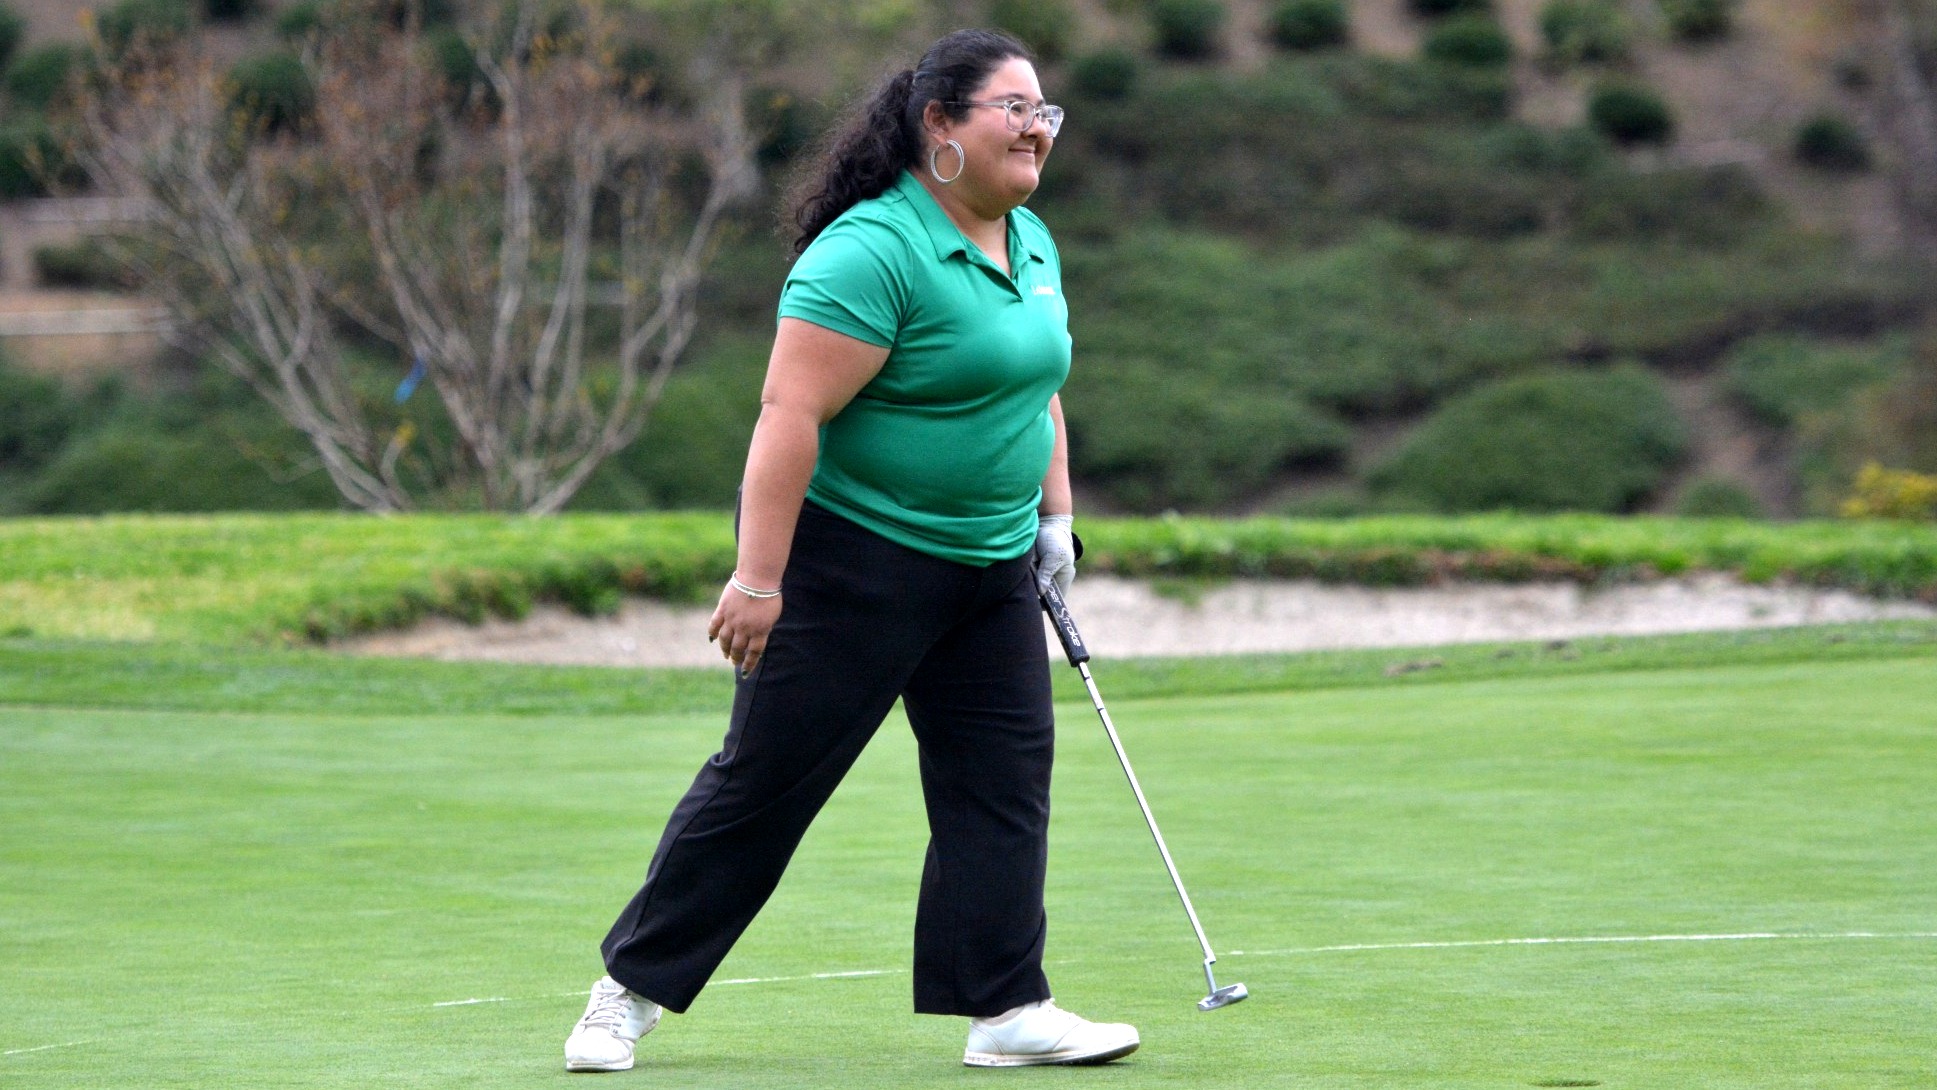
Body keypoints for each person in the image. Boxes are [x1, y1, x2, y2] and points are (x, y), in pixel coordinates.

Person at [562, 28, 1135, 1072]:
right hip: (852, 564)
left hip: (990, 564)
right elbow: (789, 415)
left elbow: (1035, 385)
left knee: (1001, 784)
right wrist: (758, 579)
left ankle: (1005, 1005)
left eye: (1043, 110)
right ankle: (627, 991)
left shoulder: (1030, 241)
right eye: (1012, 108)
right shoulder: (868, 250)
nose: (1035, 128)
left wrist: (1054, 521)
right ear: (938, 124)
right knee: (766, 782)